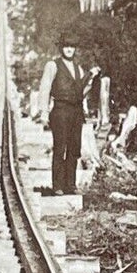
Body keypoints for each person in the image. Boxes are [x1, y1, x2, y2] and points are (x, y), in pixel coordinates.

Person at [37, 34, 88, 195]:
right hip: (60, 110)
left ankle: (70, 185)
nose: (69, 49)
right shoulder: (53, 65)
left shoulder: (79, 69)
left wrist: (91, 80)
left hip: (76, 112)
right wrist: (44, 112)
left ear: (75, 49)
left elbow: (81, 92)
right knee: (60, 147)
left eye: (72, 47)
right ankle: (57, 185)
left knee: (74, 148)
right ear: (61, 48)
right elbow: (45, 88)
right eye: (66, 46)